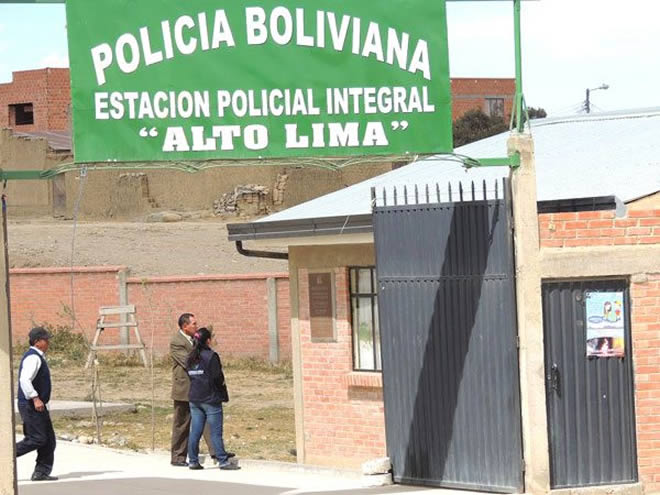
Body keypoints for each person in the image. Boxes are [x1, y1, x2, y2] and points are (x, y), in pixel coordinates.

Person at [186, 327, 239, 470]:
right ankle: (223, 460)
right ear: (208, 340)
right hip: (210, 398)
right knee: (215, 431)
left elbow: (190, 375)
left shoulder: (190, 357)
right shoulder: (211, 356)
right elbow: (217, 377)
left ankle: (193, 460)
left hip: (194, 398)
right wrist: (222, 394)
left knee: (195, 431)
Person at [170, 313, 217, 466]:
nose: (197, 327)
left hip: (199, 388)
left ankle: (217, 453)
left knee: (206, 420)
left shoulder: (195, 341)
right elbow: (188, 362)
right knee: (182, 424)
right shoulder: (177, 342)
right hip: (184, 388)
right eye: (194, 324)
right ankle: (178, 457)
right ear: (185, 326)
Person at [16, 327, 57, 481]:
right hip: (31, 405)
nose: (48, 342)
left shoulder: (38, 357)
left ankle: (41, 472)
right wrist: (35, 398)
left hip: (38, 405)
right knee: (36, 439)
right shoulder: (33, 358)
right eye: (46, 340)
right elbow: (24, 380)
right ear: (37, 342)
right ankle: (6, 457)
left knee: (49, 440)